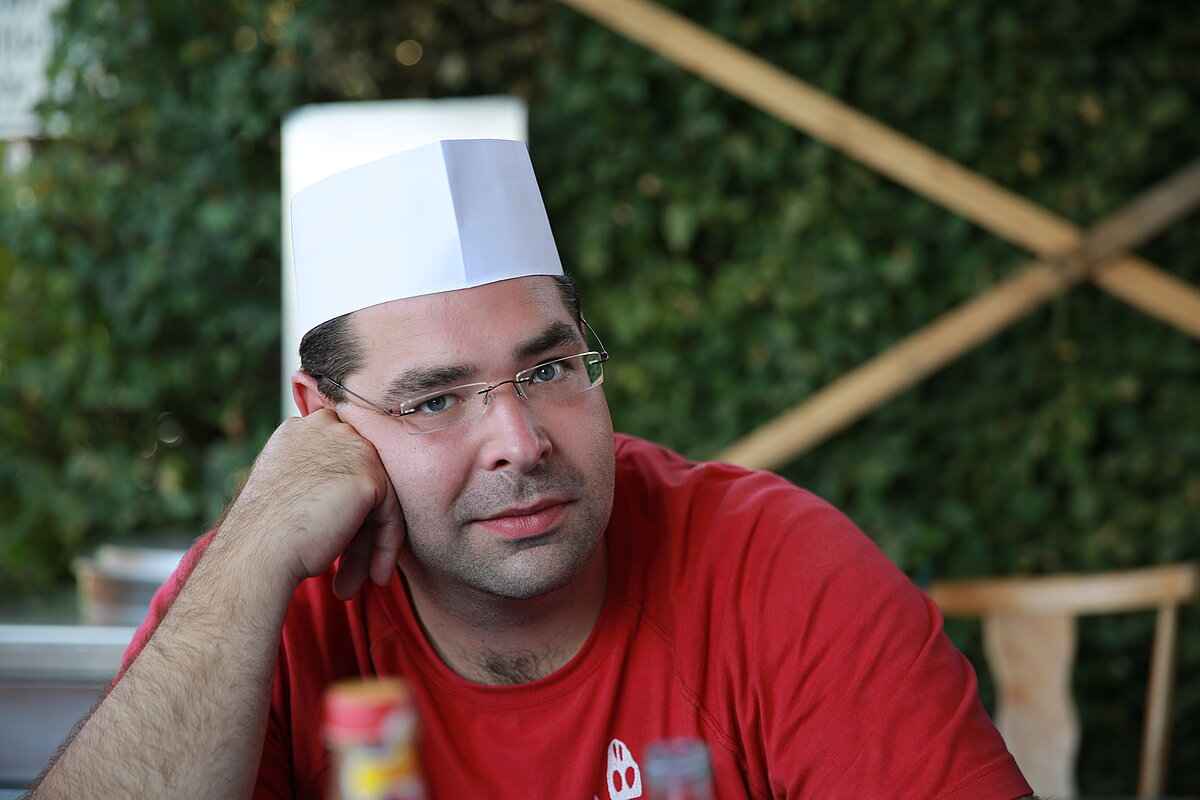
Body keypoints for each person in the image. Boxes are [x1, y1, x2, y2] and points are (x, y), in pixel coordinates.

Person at [27, 139, 1035, 800]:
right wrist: (251, 547)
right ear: (322, 420)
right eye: (436, 398)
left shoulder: (775, 567)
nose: (520, 439)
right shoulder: (267, 601)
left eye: (548, 369)